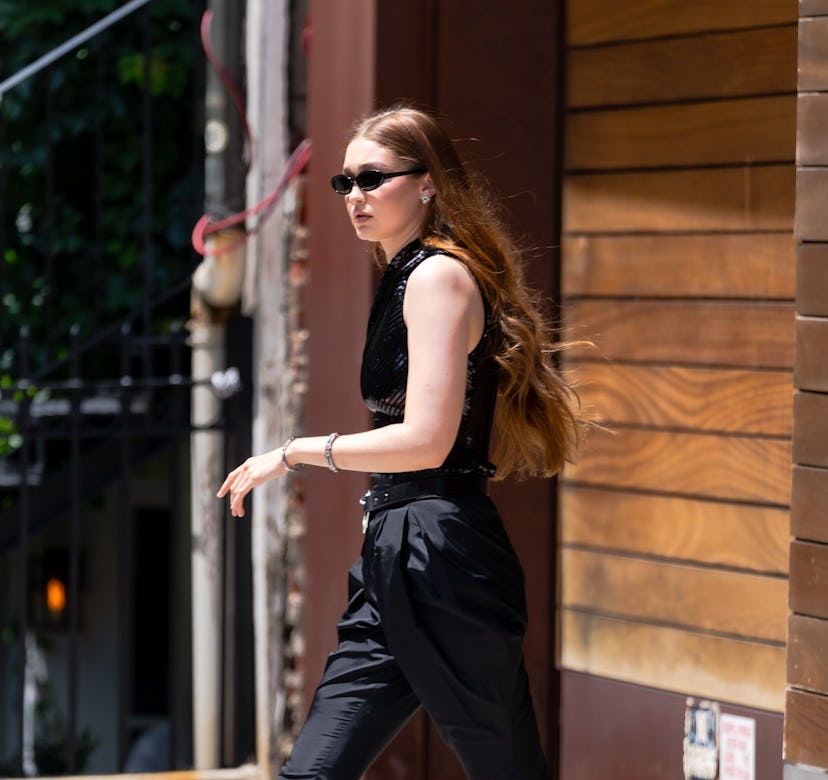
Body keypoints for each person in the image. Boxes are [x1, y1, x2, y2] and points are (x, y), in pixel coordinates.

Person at [217, 105, 585, 780]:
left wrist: (296, 452)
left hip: (443, 555)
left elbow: (427, 440)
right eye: (344, 182)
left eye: (372, 178)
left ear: (427, 182)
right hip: (395, 549)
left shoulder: (437, 277)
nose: (354, 196)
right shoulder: (405, 277)